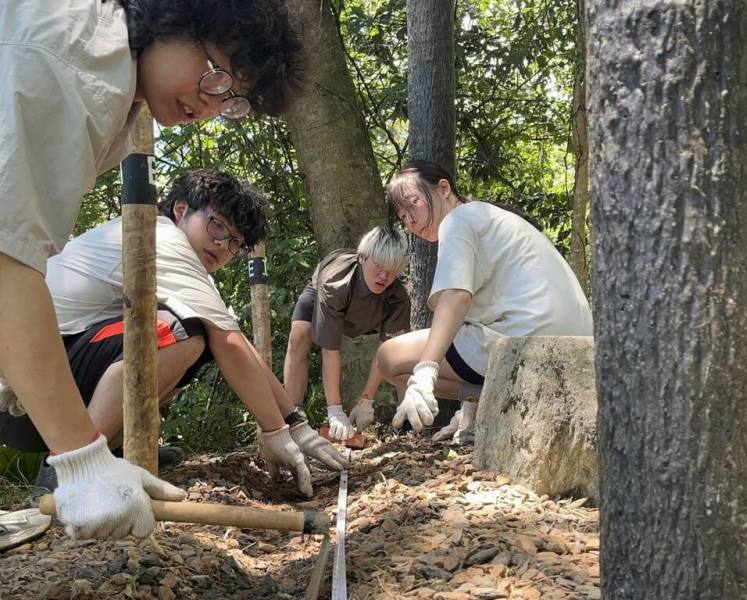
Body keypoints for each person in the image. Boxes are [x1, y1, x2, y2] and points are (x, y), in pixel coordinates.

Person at [0, 0, 301, 539]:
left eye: (231, 100)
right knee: (184, 332)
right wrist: (80, 462)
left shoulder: (114, 91)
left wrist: (291, 424)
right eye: (216, 77)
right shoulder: (75, 60)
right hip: (22, 389)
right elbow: (3, 260)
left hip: (31, 375)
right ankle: (67, 470)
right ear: (177, 17)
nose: (210, 106)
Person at [378, 160, 593, 442]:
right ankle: (481, 405)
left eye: (414, 204)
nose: (411, 221)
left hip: (527, 338)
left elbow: (457, 297)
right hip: (578, 342)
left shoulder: (457, 220)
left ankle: (488, 397)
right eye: (403, 217)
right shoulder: (487, 216)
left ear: (444, 188)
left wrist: (425, 373)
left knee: (389, 359)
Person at [283, 227, 410, 440]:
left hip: (371, 314)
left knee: (402, 354)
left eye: (392, 269)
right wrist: (335, 411)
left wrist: (366, 401)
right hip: (325, 291)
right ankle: (292, 414)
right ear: (362, 258)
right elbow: (330, 349)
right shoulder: (335, 283)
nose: (384, 275)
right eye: (378, 264)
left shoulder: (399, 295)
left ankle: (406, 422)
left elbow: (386, 350)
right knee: (299, 334)